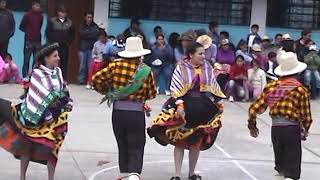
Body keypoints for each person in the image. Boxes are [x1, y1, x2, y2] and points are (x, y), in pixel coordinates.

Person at [148, 42, 225, 180]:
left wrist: (219, 101)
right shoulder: (181, 68)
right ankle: (177, 174)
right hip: (184, 105)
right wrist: (179, 104)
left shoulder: (207, 66)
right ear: (191, 55)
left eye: (204, 53)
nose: (203, 56)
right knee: (180, 141)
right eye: (200, 53)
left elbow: (213, 84)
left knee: (196, 142)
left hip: (202, 107)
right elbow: (175, 87)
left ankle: (192, 173)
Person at [0, 43, 73, 180]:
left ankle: (51, 178)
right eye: (55, 56)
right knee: (27, 146)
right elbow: (39, 94)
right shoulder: (37, 73)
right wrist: (46, 112)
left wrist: (67, 101)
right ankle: (22, 177)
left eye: (58, 55)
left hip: (56, 116)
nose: (58, 58)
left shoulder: (58, 71)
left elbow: (63, 89)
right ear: (46, 58)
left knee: (53, 148)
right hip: (36, 115)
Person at [91, 37, 157, 179]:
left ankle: (124, 172)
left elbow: (95, 79)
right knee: (137, 144)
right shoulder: (146, 71)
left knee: (122, 142)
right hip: (136, 114)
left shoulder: (115, 65)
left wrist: (109, 93)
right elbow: (152, 94)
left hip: (118, 112)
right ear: (140, 54)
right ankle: (134, 174)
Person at [247, 50, 312, 180]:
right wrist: (305, 129)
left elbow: (254, 109)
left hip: (276, 129)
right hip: (292, 129)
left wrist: (252, 126)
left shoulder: (271, 87)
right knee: (292, 167)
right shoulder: (300, 89)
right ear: (297, 72)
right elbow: (306, 115)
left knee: (281, 166)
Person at [46, 5, 75, 80]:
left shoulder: (70, 22)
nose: (63, 14)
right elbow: (48, 33)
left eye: (65, 13)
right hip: (54, 46)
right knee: (54, 62)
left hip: (65, 46)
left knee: (64, 63)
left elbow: (72, 35)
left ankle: (63, 79)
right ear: (58, 13)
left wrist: (68, 43)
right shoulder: (52, 21)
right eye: (61, 12)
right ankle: (53, 78)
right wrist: (51, 43)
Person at [20, 1, 43, 78]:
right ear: (32, 6)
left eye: (38, 6)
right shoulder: (27, 15)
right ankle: (25, 77)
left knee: (36, 60)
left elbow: (40, 26)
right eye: (36, 5)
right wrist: (28, 32)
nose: (37, 7)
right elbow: (21, 27)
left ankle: (34, 76)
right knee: (26, 60)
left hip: (38, 41)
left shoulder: (41, 16)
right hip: (28, 41)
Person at [78, 11, 100, 85]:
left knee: (90, 66)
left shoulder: (95, 26)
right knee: (82, 66)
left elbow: (96, 34)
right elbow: (82, 34)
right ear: (85, 17)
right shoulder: (81, 25)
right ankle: (81, 80)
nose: (89, 19)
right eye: (88, 17)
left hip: (91, 49)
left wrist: (87, 34)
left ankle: (89, 81)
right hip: (82, 48)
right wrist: (91, 33)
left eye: (91, 17)